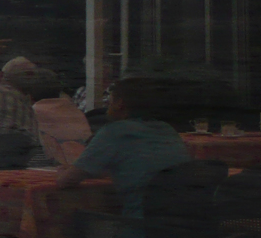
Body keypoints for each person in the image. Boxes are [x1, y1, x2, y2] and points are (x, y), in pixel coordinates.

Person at [56, 76, 188, 221]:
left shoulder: (114, 133)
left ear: (120, 103)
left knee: (71, 224)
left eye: (110, 100)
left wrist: (62, 171)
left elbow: (65, 182)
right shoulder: (168, 130)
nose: (108, 106)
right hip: (179, 223)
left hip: (140, 226)